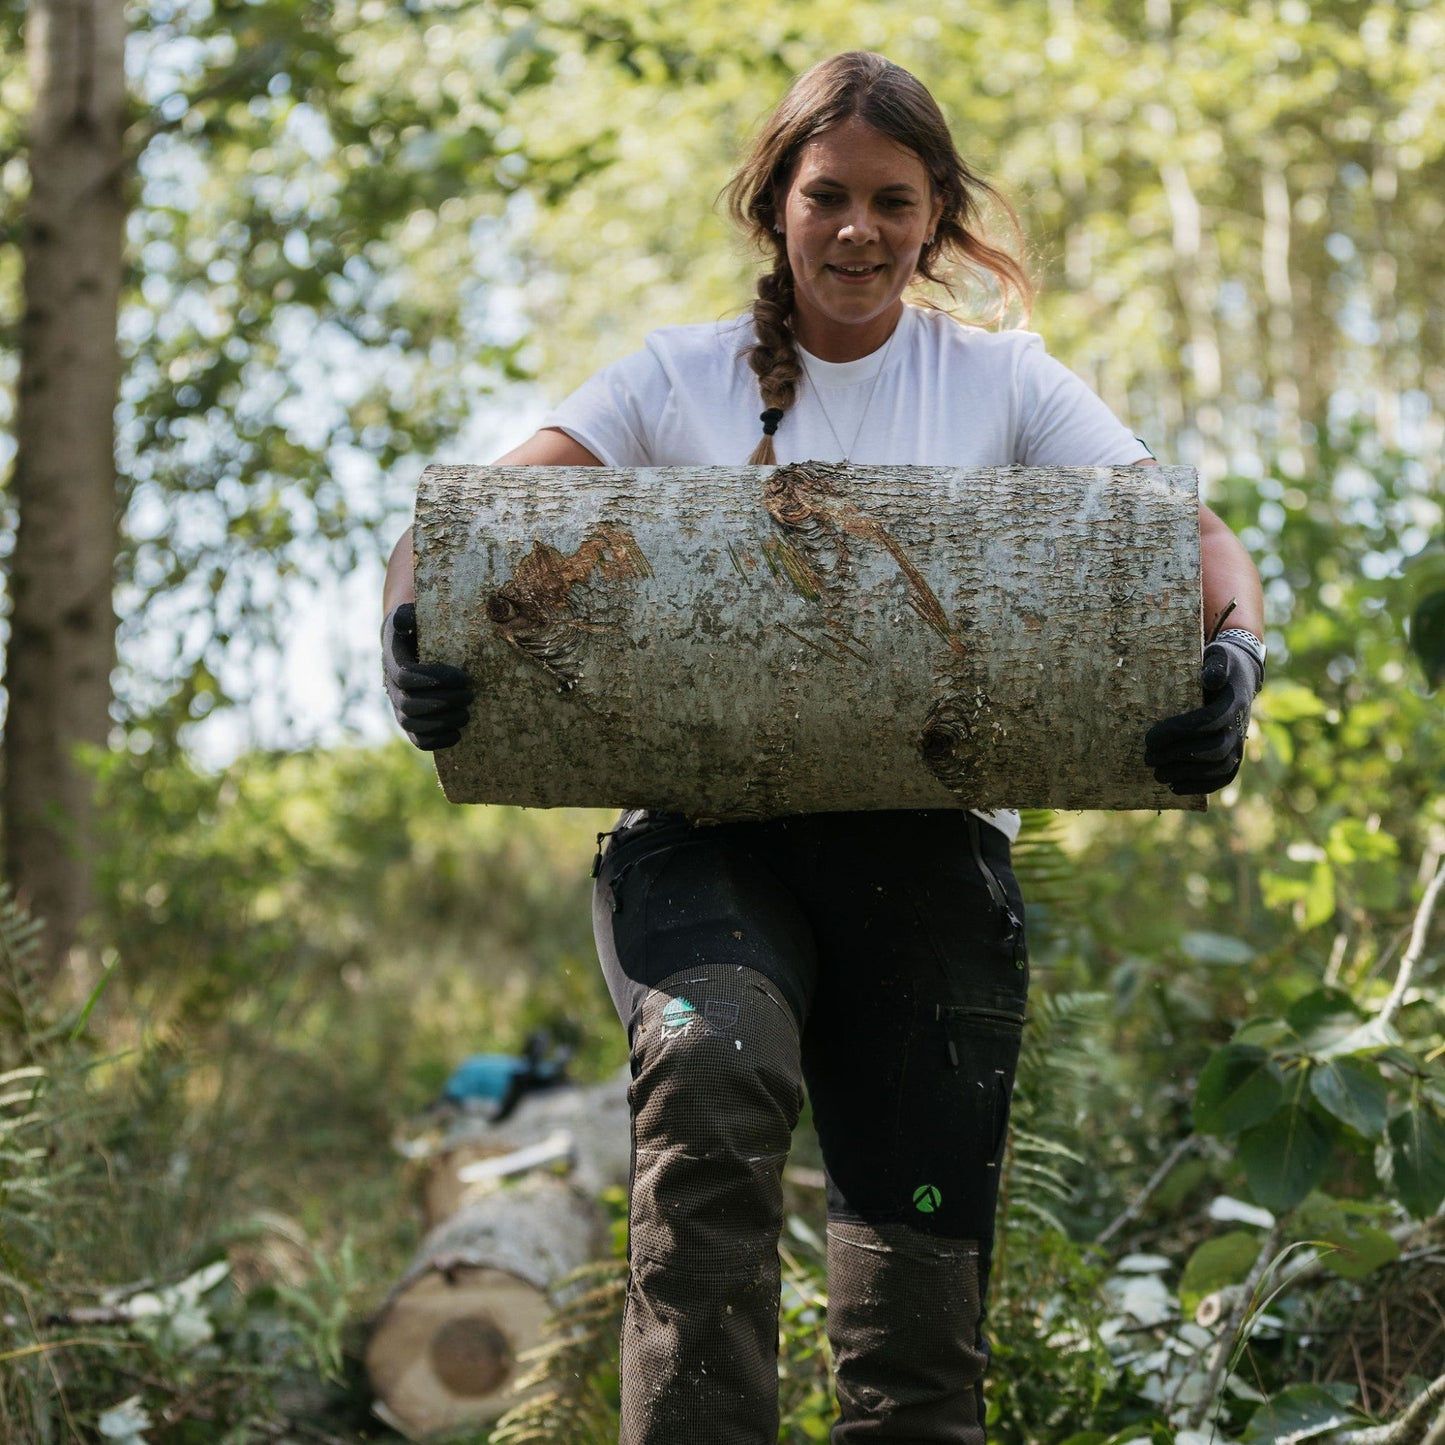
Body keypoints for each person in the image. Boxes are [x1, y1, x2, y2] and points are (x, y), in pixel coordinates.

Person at [381, 52, 1265, 1444]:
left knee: (914, 1280)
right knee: (716, 1054)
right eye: (827, 196)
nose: (857, 229)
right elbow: (452, 535)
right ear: (772, 208)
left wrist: (1232, 658)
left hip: (929, 860)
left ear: (934, 217)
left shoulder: (1005, 383)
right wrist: (410, 640)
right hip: (701, 850)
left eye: (892, 203)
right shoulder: (673, 379)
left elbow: (1194, 542)